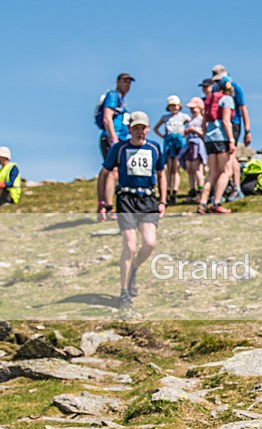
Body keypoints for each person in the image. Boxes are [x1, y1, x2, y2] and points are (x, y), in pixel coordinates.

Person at [100, 111, 167, 309]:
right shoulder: (119, 149)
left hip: (148, 200)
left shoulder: (155, 147)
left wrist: (163, 200)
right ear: (130, 129)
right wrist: (106, 203)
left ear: (147, 129)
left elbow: (161, 174)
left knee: (149, 243)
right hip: (126, 200)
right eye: (135, 128)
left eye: (143, 128)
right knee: (130, 245)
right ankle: (124, 292)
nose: (140, 132)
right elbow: (106, 173)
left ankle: (134, 269)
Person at [96, 73, 134, 221]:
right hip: (113, 139)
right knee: (112, 171)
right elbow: (107, 117)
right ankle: (109, 207)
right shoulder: (113, 96)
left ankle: (103, 206)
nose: (127, 84)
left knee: (108, 171)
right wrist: (114, 138)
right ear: (117, 82)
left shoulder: (121, 100)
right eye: (124, 81)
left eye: (129, 82)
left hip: (120, 138)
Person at [212, 65, 252, 200]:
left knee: (231, 155)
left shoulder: (236, 88)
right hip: (221, 126)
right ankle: (227, 187)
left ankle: (236, 187)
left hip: (233, 124)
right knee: (226, 158)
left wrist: (247, 130)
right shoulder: (216, 88)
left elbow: (243, 109)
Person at [197, 77, 235, 214]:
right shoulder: (226, 99)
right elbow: (226, 120)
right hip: (221, 138)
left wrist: (204, 135)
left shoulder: (209, 99)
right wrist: (231, 139)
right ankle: (216, 203)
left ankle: (202, 203)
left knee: (212, 173)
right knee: (226, 171)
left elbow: (204, 121)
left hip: (209, 139)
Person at [153, 95, 191, 205]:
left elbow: (192, 122)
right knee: (169, 168)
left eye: (175, 105)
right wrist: (162, 136)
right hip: (169, 140)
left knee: (176, 167)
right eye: (171, 106)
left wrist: (186, 132)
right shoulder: (166, 117)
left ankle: (174, 190)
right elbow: (156, 128)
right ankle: (168, 190)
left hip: (178, 140)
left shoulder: (183, 116)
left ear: (179, 106)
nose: (173, 108)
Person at [181, 97, 207, 201]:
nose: (192, 110)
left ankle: (201, 192)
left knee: (197, 169)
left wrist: (193, 130)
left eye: (194, 108)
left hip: (197, 146)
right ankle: (192, 191)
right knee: (189, 169)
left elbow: (203, 134)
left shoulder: (201, 120)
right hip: (188, 146)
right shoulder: (189, 120)